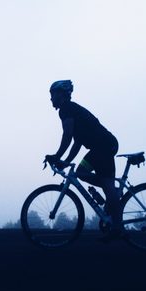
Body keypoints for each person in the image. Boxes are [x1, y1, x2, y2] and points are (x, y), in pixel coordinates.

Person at [45, 80, 123, 242]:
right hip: (101, 146)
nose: (51, 98)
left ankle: (117, 227)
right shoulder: (72, 109)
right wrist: (65, 160)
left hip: (103, 146)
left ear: (61, 94)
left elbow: (67, 136)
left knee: (106, 185)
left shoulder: (66, 109)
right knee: (81, 172)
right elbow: (77, 142)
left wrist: (57, 156)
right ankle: (113, 194)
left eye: (52, 94)